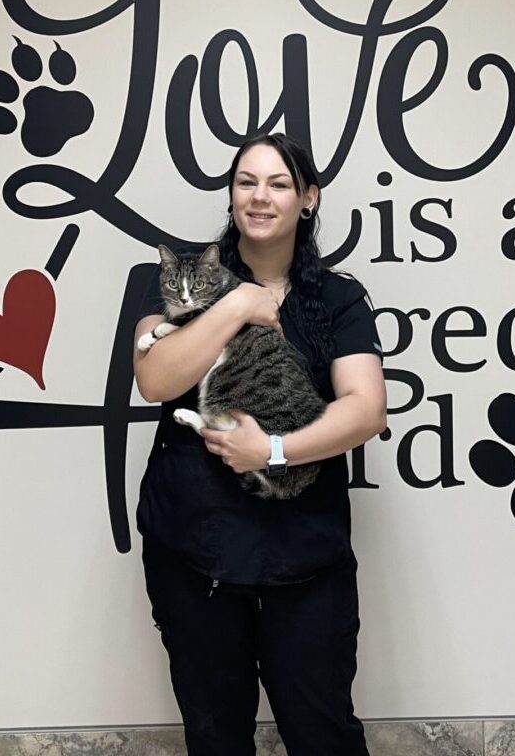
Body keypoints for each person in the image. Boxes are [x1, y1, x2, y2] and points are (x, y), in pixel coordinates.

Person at [133, 132, 387, 756]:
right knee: (215, 734)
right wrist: (240, 302)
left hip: (305, 553)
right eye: (247, 181)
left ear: (308, 199)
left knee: (322, 730)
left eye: (278, 184)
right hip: (195, 551)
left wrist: (271, 451)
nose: (260, 196)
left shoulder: (337, 297)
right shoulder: (183, 279)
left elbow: (366, 409)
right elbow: (156, 378)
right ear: (230, 195)